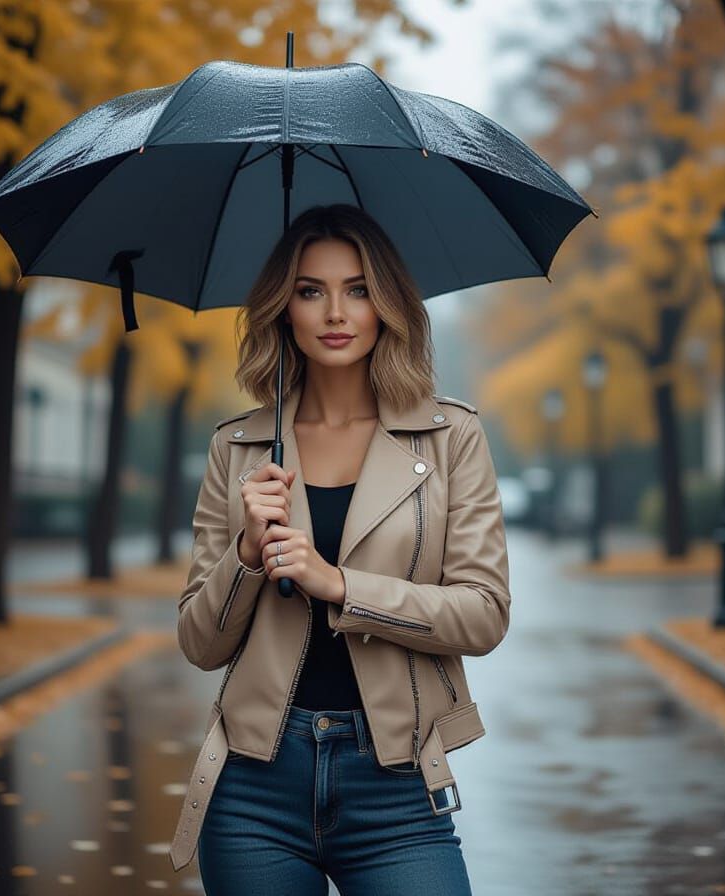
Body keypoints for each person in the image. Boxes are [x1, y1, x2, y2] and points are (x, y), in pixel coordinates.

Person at [168, 204, 511, 895]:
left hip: (397, 786)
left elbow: (484, 613)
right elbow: (200, 644)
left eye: (357, 289)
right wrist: (245, 555)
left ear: (387, 305)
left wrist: (341, 587)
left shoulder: (451, 440)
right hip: (253, 789)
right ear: (283, 308)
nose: (335, 311)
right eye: (310, 289)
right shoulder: (237, 448)